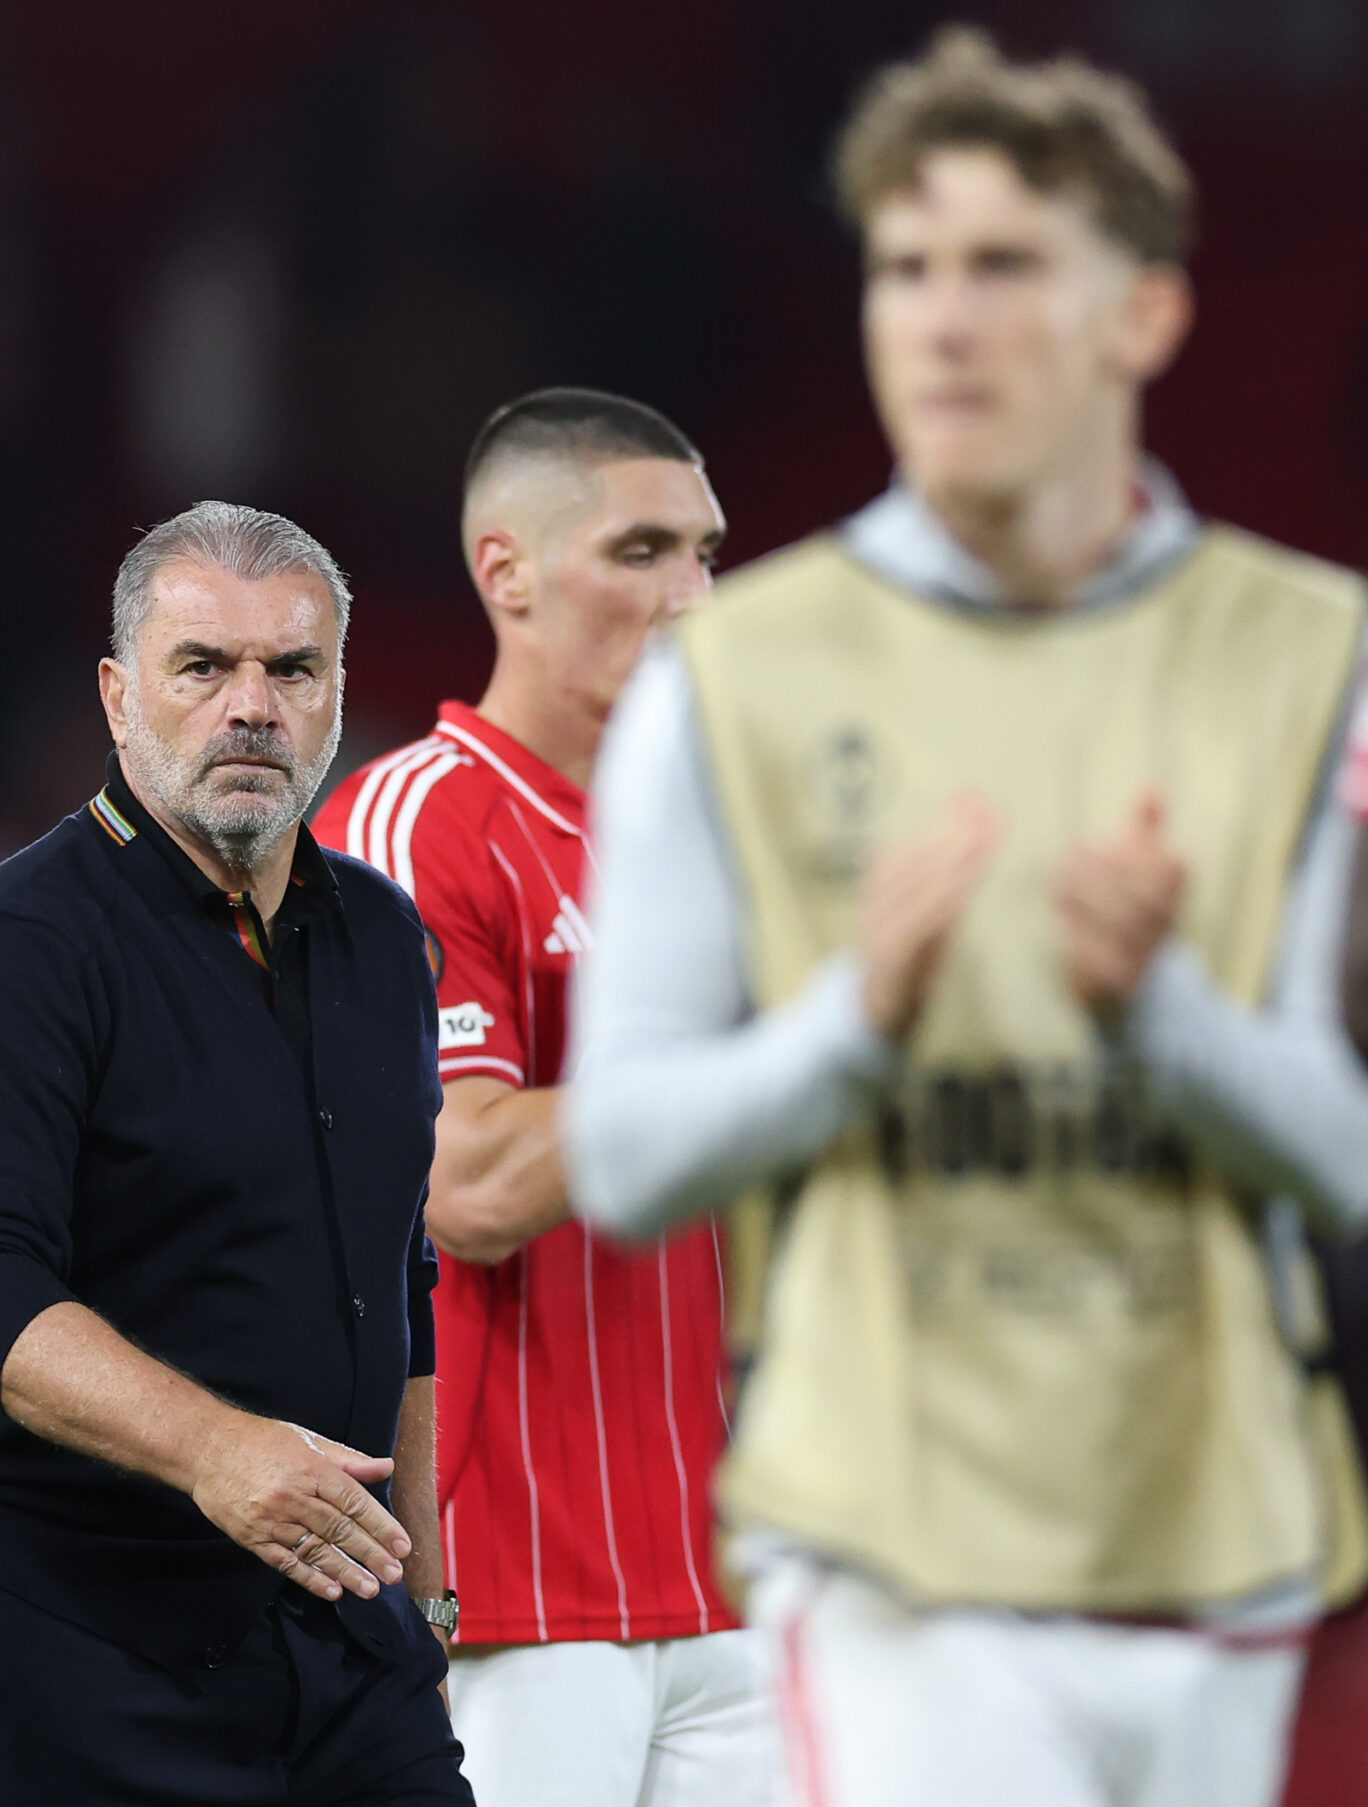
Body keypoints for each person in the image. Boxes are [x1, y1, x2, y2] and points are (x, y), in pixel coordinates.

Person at [563, 29, 1368, 1807]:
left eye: (1004, 267)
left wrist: (1164, 1019)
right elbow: (621, 1152)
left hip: (1221, 1544)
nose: (941, 318)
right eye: (906, 269)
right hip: (898, 1560)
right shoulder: (740, 681)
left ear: (1143, 316)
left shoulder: (1313, 659)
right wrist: (858, 1020)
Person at [0, 501, 469, 1803]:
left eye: (291, 669)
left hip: (335, 1629)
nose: (251, 705)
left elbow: (400, 1269)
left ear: (336, 693)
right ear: (117, 693)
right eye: (204, 666)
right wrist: (220, 1451)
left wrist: (424, 1590)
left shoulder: (382, 940)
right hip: (62, 1631)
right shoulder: (15, 953)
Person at [316, 388, 765, 1806]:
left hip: (744, 1573)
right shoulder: (418, 819)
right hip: (508, 1594)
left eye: (704, 553)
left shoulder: (741, 829)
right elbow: (471, 1184)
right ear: (505, 571)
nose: (692, 594)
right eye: (640, 552)